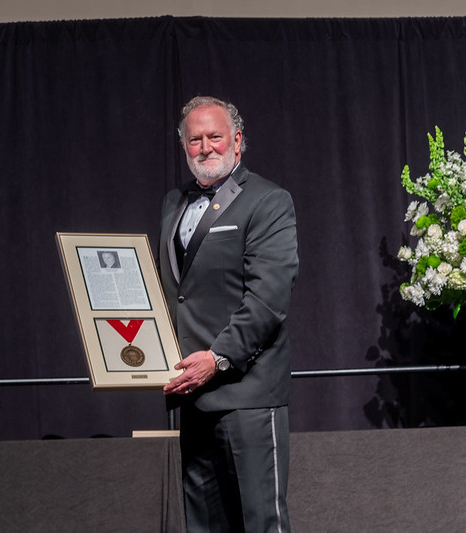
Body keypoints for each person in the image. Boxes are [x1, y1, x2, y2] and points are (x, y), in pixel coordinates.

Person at [160, 96, 299, 533]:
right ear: (184, 146)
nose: (205, 147)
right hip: (192, 396)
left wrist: (217, 359)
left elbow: (267, 299)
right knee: (204, 526)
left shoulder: (268, 200)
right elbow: (176, 294)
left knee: (261, 524)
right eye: (194, 139)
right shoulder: (172, 202)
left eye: (215, 136)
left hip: (248, 395)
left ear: (237, 140)